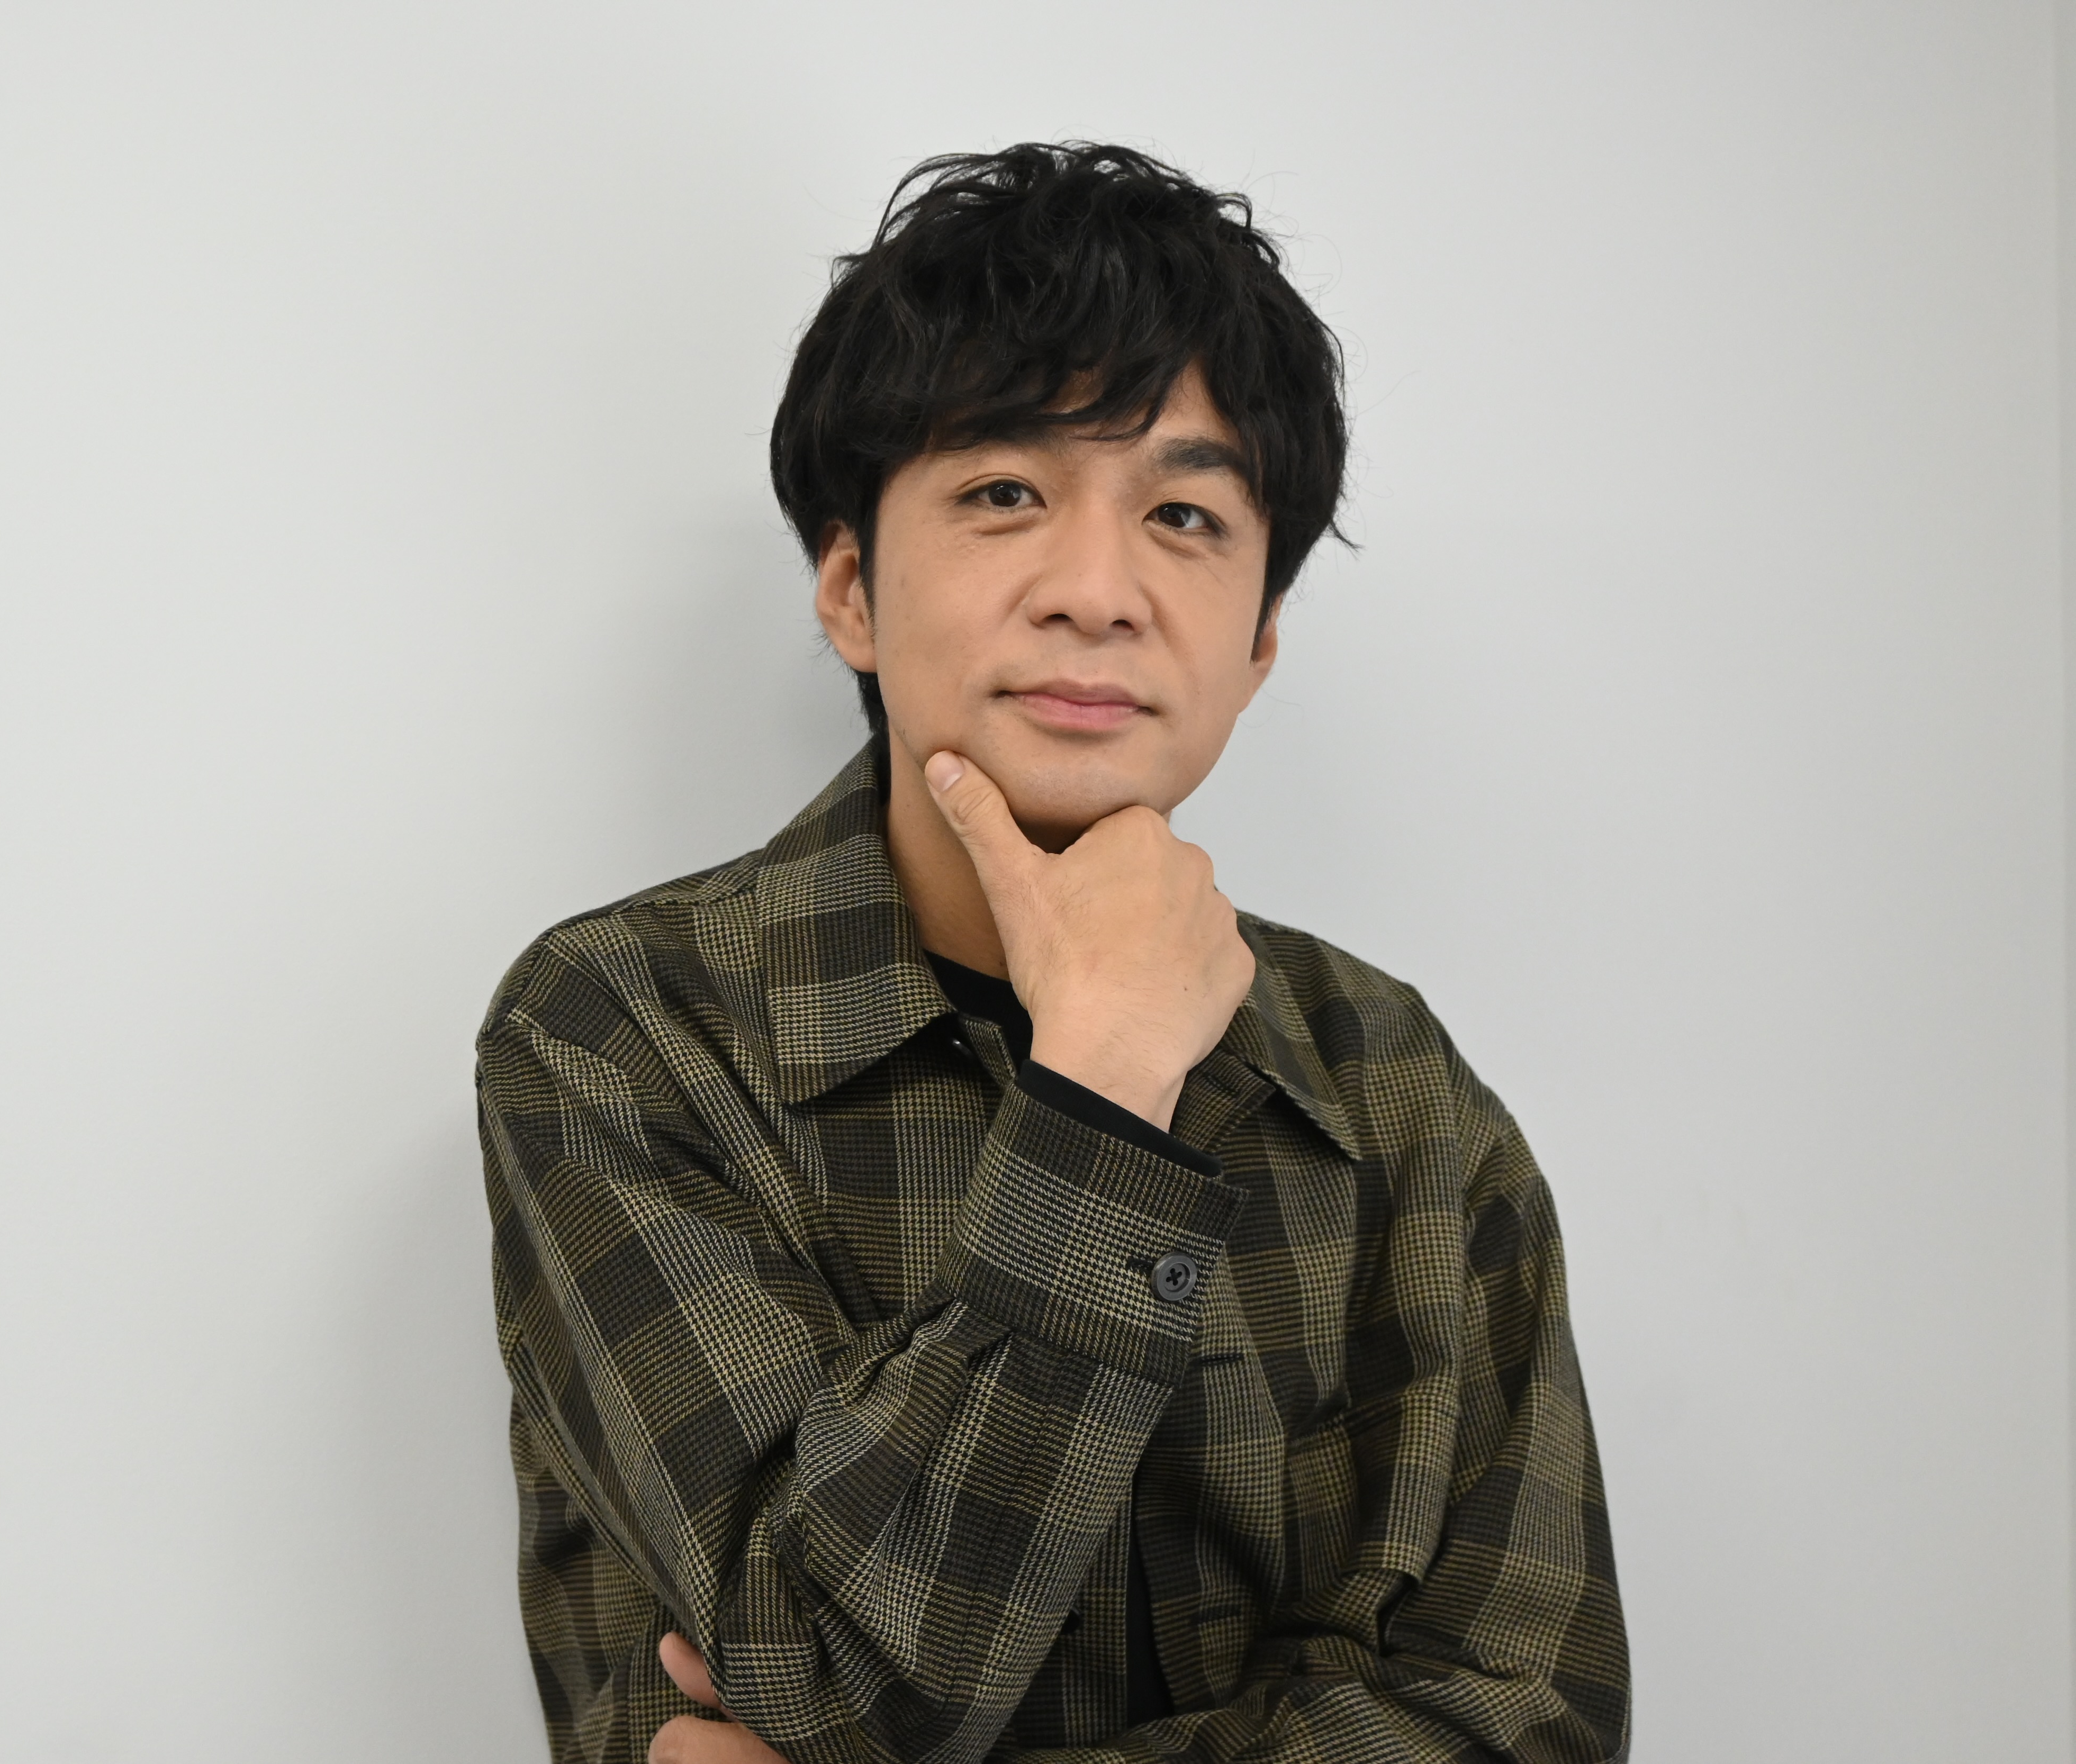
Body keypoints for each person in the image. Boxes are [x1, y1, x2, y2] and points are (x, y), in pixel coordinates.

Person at [475, 142, 1629, 1764]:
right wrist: (1103, 1084)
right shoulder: (623, 1031)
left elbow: (1532, 1722)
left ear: (1259, 640)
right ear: (852, 589)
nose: (1098, 592)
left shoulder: (1391, 1088)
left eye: (1184, 514)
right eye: (1005, 493)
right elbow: (845, 1684)